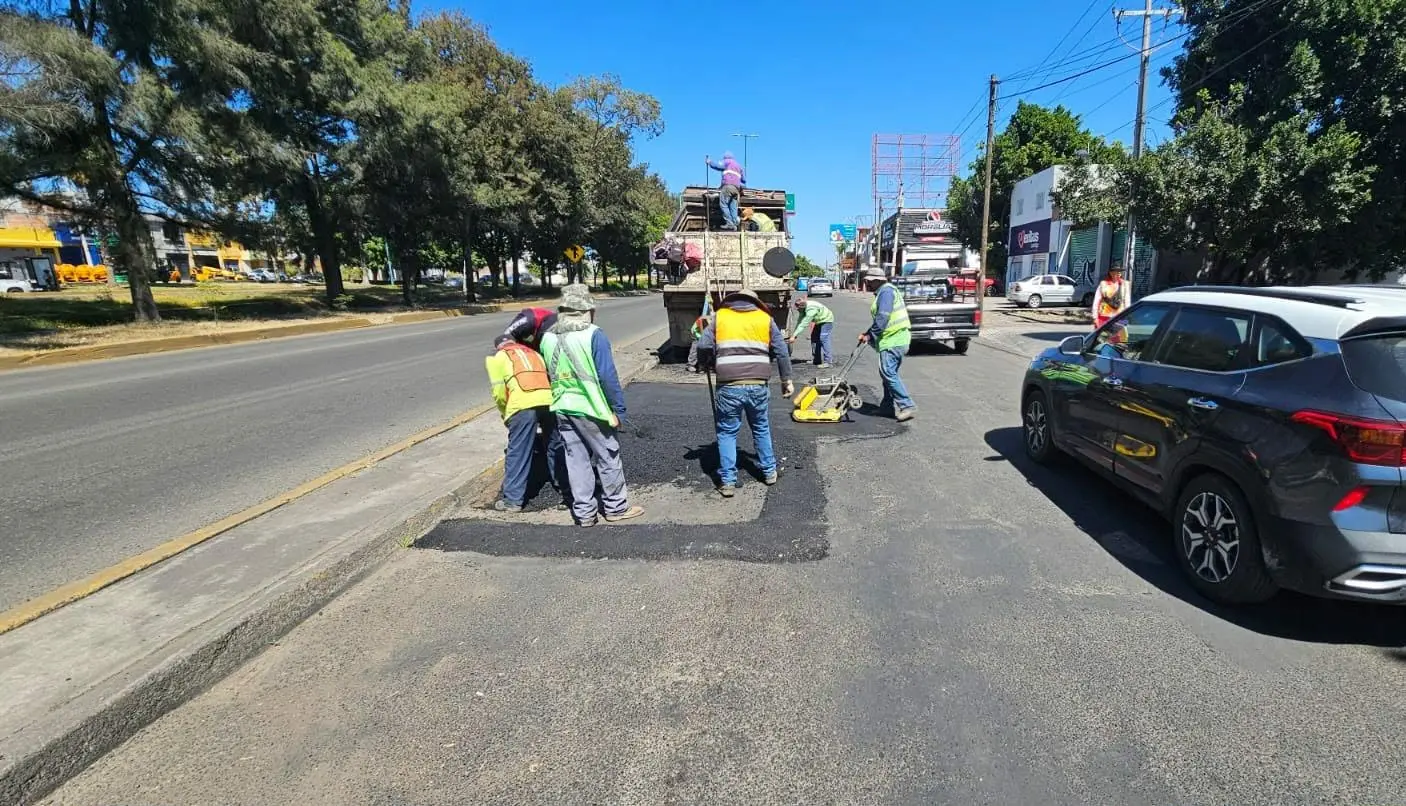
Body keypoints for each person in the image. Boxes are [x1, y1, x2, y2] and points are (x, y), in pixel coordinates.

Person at [539, 284, 644, 527]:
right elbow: (607, 376)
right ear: (587, 310)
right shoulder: (594, 334)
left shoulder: (548, 337)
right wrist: (618, 409)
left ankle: (585, 514)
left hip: (563, 407)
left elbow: (549, 372)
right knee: (608, 456)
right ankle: (616, 507)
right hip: (593, 408)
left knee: (576, 460)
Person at [694, 289, 795, 497]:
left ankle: (728, 482)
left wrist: (707, 364)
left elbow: (703, 345)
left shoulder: (720, 317)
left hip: (728, 384)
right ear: (755, 303)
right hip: (758, 383)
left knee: (727, 432)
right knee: (760, 427)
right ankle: (769, 472)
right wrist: (787, 380)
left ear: (733, 302)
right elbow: (782, 351)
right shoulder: (765, 319)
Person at [485, 334, 555, 512]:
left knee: (518, 451)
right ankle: (566, 489)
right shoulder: (534, 353)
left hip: (522, 404)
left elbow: (499, 392)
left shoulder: (498, 358)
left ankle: (513, 500)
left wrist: (506, 414)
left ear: (498, 347)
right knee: (555, 446)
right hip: (549, 400)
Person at [859, 272, 915, 422]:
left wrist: (871, 335)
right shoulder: (885, 292)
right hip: (894, 339)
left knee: (888, 373)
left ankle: (906, 405)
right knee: (888, 375)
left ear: (879, 280)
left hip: (894, 340)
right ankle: (887, 407)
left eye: (870, 281)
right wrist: (868, 333)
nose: (868, 284)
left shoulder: (886, 292)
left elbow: (883, 316)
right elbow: (880, 319)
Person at [786, 294, 835, 368]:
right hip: (819, 321)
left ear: (802, 307)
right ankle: (816, 360)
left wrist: (793, 336)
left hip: (826, 320)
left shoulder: (810, 310)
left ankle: (828, 362)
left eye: (798, 309)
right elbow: (799, 321)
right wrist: (794, 335)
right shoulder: (803, 307)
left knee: (823, 339)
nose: (798, 311)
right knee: (814, 338)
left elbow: (804, 324)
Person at [706, 152, 745, 230]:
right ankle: (734, 224)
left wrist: (709, 162)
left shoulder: (727, 162)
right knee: (733, 207)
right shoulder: (739, 166)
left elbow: (718, 165)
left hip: (728, 186)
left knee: (723, 204)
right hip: (736, 189)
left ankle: (730, 223)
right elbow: (744, 179)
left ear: (725, 158)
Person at [1092, 263, 1132, 330]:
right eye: (1115, 271)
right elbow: (1096, 301)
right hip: (1104, 316)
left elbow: (1127, 301)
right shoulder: (1103, 284)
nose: (1118, 273)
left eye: (1119, 272)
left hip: (1120, 316)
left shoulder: (1125, 285)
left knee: (1119, 338)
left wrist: (1127, 316)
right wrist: (1095, 317)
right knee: (1103, 338)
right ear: (1110, 273)